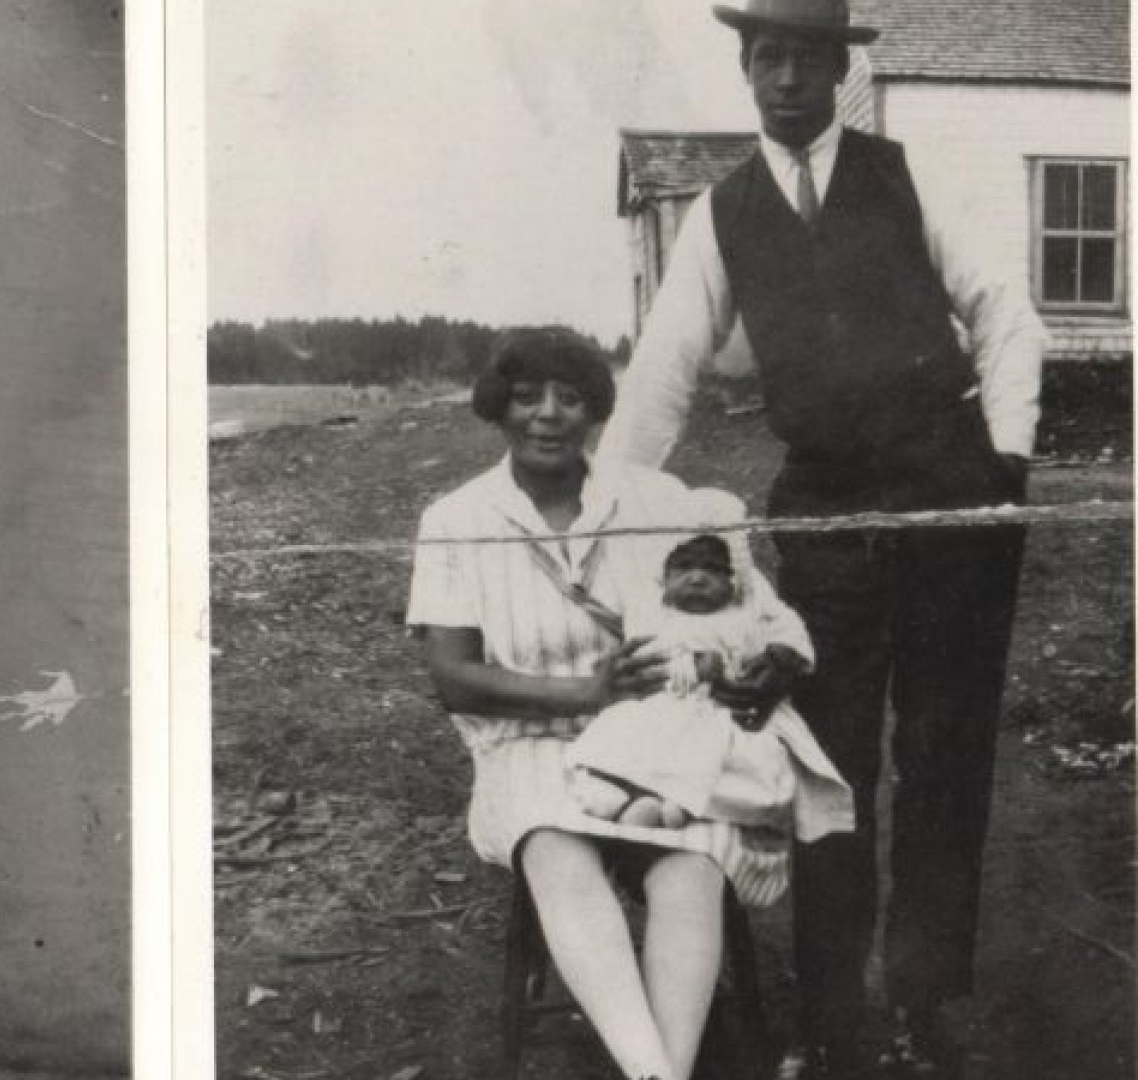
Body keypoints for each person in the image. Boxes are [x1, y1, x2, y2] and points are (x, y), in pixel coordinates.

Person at [595, 1, 1045, 1075]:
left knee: (944, 756)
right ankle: (833, 1017)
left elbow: (1005, 315)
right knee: (825, 762)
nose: (787, 78)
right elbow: (662, 377)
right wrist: (606, 514)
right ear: (746, 71)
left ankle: (926, 1005)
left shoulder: (904, 176)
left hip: (952, 499)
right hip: (827, 508)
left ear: (840, 69)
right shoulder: (725, 212)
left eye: (807, 57)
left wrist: (1004, 470)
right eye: (768, 58)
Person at [409, 328, 810, 1080]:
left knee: (689, 861)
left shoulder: (654, 501)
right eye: (527, 397)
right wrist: (586, 692)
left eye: (571, 397)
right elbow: (453, 677)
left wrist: (771, 660)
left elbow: (758, 608)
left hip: (657, 736)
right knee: (555, 847)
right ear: (499, 408)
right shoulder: (457, 519)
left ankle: (664, 1072)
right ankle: (653, 1072)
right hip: (526, 741)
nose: (548, 415)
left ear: (596, 410)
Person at [566, 496, 853, 841]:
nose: (698, 577)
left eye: (714, 569)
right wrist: (688, 665)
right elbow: (639, 645)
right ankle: (624, 797)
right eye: (684, 567)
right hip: (663, 705)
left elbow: (788, 632)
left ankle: (674, 804)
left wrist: (780, 656)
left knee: (758, 775)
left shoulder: (748, 609)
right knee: (616, 743)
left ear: (735, 579)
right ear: (664, 574)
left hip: (725, 714)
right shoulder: (653, 609)